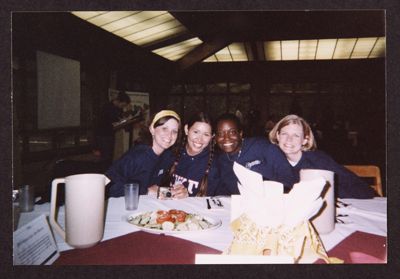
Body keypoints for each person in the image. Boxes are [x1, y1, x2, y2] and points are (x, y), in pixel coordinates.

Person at [268, 114, 375, 199]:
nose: (289, 139)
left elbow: (363, 190)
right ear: (277, 136)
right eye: (284, 134)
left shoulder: (319, 161)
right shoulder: (269, 160)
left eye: (296, 135)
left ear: (305, 140)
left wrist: (327, 193)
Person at [105, 110, 181, 197]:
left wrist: (175, 193)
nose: (169, 135)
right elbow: (108, 188)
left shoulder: (168, 157)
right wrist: (145, 191)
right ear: (152, 129)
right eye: (164, 129)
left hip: (147, 205)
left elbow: (156, 190)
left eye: (174, 131)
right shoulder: (136, 157)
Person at [147, 112, 219, 199]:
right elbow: (151, 189)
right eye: (196, 132)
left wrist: (187, 196)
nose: (199, 139)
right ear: (186, 129)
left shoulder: (214, 165)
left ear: (212, 137)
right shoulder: (171, 154)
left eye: (206, 134)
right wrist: (168, 193)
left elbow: (210, 204)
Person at [213, 113, 289, 195]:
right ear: (215, 138)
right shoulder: (221, 160)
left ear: (240, 134)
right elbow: (223, 193)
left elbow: (288, 178)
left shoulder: (261, 147)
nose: (226, 138)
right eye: (220, 134)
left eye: (232, 132)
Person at [93, 91, 131, 167]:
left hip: (111, 134)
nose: (123, 107)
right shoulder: (107, 107)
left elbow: (119, 119)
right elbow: (101, 123)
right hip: (103, 135)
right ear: (119, 101)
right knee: (105, 157)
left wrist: (124, 120)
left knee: (110, 157)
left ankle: (108, 172)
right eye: (123, 105)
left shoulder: (118, 109)